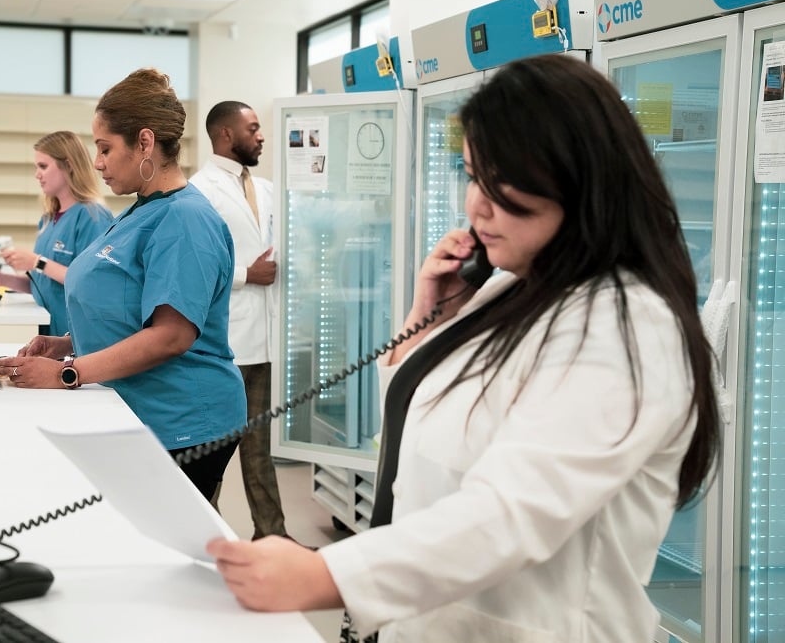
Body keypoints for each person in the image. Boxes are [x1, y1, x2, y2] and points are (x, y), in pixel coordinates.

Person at [205, 54, 721, 642]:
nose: (477, 206)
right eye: (474, 177)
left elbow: (514, 511)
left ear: (578, 181)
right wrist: (427, 318)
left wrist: (326, 575)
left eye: (502, 183)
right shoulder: (510, 285)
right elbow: (416, 421)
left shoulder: (624, 326)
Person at [0, 69, 246, 501]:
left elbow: (170, 336)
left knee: (165, 535)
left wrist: (68, 373)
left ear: (144, 143)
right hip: (138, 408)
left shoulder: (185, 219)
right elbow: (127, 311)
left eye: (105, 147)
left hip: (183, 421)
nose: (97, 162)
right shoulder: (141, 211)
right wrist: (66, 344)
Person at [189, 101, 290, 540]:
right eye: (253, 128)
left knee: (259, 449)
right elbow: (195, 266)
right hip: (225, 344)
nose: (261, 136)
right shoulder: (200, 191)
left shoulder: (266, 189)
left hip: (264, 339)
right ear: (226, 134)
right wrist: (248, 274)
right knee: (214, 451)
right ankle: (207, 539)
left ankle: (272, 534)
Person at [0, 131, 113, 336]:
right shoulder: (48, 219)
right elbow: (45, 285)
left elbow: (90, 283)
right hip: (50, 334)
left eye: (43, 166)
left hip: (77, 337)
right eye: (36, 167)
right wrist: (1, 279)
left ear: (68, 165)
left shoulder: (92, 216)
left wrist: (37, 262)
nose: (37, 174)